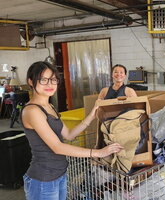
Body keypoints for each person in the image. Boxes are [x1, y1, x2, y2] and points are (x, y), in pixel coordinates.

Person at [21, 61, 124, 200]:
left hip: (60, 174)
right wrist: (98, 153)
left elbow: (69, 135)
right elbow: (57, 147)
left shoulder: (49, 106)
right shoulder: (32, 110)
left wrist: (91, 116)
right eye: (43, 80)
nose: (50, 84)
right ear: (31, 82)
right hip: (43, 180)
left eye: (53, 80)